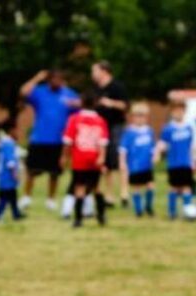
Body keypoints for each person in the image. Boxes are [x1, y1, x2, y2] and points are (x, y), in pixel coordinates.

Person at [19, 69, 79, 211]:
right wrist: (37, 77)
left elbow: (80, 107)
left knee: (55, 173)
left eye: (59, 79)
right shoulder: (40, 92)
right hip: (39, 138)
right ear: (49, 80)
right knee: (32, 171)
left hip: (58, 140)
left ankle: (51, 199)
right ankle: (27, 197)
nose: (56, 82)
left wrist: (76, 105)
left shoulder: (68, 94)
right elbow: (23, 92)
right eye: (53, 79)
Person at [61, 91, 109, 228]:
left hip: (79, 159)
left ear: (81, 103)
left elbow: (68, 141)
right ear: (96, 104)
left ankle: (78, 219)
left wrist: (64, 157)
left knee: (79, 188)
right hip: (95, 159)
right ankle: (101, 215)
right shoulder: (100, 121)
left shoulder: (74, 119)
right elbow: (103, 143)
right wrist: (102, 157)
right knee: (97, 188)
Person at [90, 60, 129, 207]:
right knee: (105, 163)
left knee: (120, 160)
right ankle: (109, 195)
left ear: (104, 71)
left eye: (94, 71)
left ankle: (124, 193)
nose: (92, 74)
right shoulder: (95, 89)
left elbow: (125, 105)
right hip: (101, 128)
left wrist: (110, 103)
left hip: (116, 127)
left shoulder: (117, 87)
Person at [157, 100, 196, 220]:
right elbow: (162, 143)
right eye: (176, 111)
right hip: (173, 163)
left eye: (181, 110)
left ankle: (187, 212)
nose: (178, 113)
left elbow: (192, 147)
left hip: (186, 163)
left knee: (186, 187)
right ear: (172, 113)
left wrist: (193, 161)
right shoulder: (168, 128)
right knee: (173, 188)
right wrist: (157, 153)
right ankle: (172, 212)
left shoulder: (189, 127)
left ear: (184, 112)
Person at [119, 102, 156, 218]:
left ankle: (148, 207)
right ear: (133, 117)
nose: (140, 119)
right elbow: (123, 149)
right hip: (134, 165)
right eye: (137, 116)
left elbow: (153, 147)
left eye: (142, 116)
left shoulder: (149, 131)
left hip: (147, 165)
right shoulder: (129, 132)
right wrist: (122, 162)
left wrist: (155, 155)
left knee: (150, 186)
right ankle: (138, 210)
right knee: (136, 187)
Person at [0, 123, 24, 222]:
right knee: (4, 197)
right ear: (12, 131)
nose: (19, 134)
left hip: (6, 175)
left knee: (13, 196)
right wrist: (15, 174)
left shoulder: (6, 143)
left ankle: (16, 214)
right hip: (7, 176)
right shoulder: (8, 144)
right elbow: (10, 161)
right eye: (17, 131)